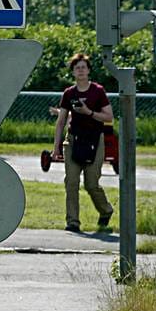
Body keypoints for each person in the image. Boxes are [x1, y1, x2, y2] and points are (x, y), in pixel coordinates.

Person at [53, 53, 115, 233]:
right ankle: (73, 222)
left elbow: (109, 116)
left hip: (94, 140)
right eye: (77, 67)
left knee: (91, 183)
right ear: (73, 71)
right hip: (73, 140)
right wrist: (56, 147)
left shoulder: (98, 91)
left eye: (83, 67)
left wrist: (89, 112)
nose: (80, 70)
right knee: (71, 181)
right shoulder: (69, 93)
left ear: (88, 71)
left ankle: (106, 210)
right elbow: (61, 121)